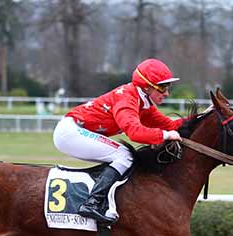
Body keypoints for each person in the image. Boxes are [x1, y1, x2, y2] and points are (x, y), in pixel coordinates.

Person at [53, 58, 185, 224]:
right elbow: (134, 132)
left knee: (123, 156)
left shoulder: (143, 103)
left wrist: (204, 116)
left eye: (168, 87)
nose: (166, 93)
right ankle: (91, 203)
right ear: (146, 86)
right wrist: (165, 135)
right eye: (162, 87)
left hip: (76, 130)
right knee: (124, 155)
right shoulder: (127, 99)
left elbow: (171, 125)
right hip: (70, 132)